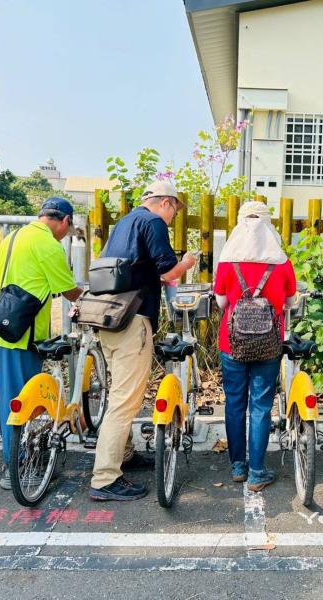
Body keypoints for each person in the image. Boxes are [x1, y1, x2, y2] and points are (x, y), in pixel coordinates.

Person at [89, 181, 196, 501]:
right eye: (174, 210)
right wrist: (188, 262)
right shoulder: (152, 223)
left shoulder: (125, 223)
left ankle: (124, 455)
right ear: (165, 203)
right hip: (132, 321)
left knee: (118, 392)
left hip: (108, 317)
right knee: (125, 400)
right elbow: (166, 272)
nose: (173, 217)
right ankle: (105, 478)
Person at [0, 197, 83, 490]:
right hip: (20, 334)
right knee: (22, 402)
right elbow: (68, 290)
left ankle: (14, 460)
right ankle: (17, 466)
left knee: (6, 399)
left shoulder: (13, 237)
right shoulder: (49, 245)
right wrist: (91, 299)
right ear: (65, 221)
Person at [214, 201, 297, 491]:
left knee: (234, 403)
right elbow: (289, 303)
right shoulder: (282, 262)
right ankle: (257, 472)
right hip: (268, 344)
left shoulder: (227, 260)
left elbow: (222, 302)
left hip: (232, 343)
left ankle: (238, 466)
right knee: (261, 406)